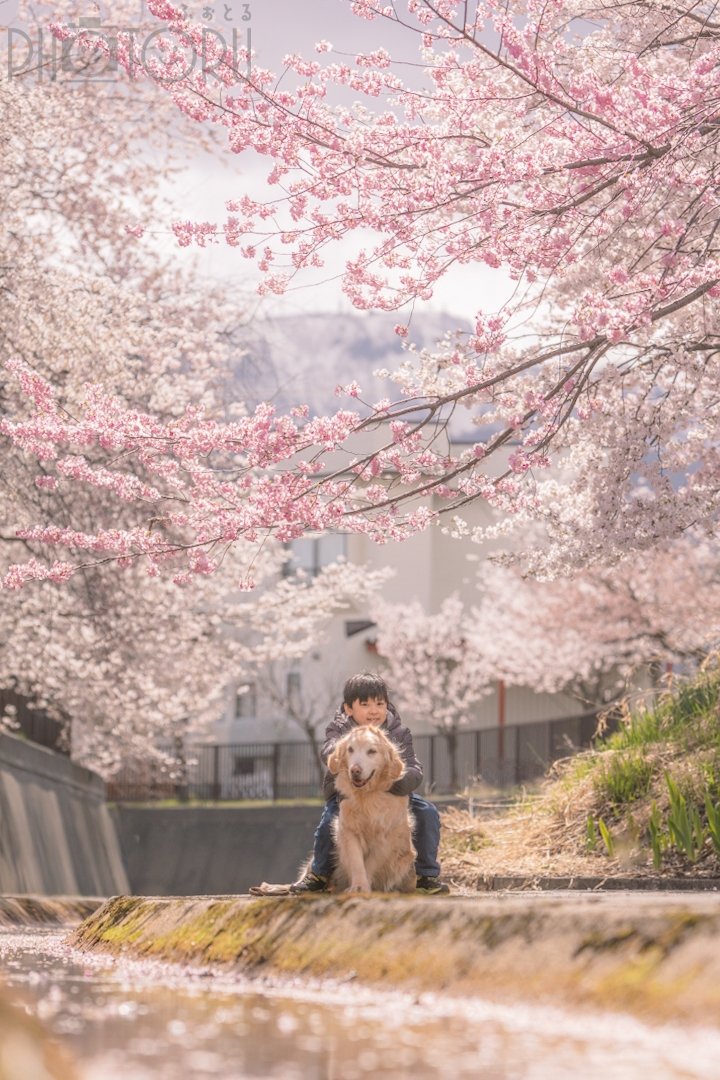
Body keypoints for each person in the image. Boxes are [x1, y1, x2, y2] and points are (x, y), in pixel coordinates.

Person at [291, 671, 450, 895]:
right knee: (330, 820)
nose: (373, 710)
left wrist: (398, 782)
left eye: (379, 703)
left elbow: (414, 767)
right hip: (349, 795)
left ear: (387, 705)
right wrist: (340, 753)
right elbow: (329, 749)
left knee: (428, 813)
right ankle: (319, 874)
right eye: (364, 704)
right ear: (349, 708)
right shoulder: (339, 730)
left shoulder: (399, 732)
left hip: (392, 792)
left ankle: (427, 875)